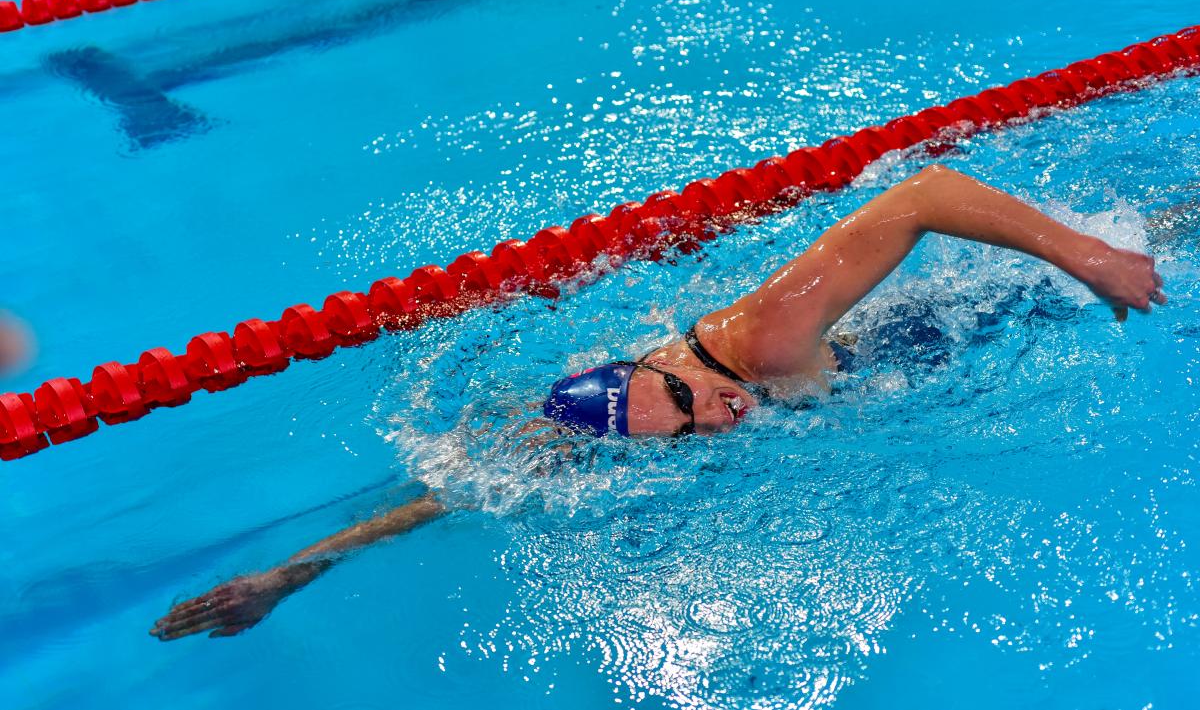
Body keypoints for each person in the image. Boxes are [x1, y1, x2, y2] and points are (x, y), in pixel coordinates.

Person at [151, 163, 1165, 641]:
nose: (717, 420)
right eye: (689, 433)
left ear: (667, 369)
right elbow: (458, 492)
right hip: (932, 363)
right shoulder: (602, 426)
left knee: (1171, 246)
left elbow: (925, 193)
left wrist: (1093, 259)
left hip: (997, 304)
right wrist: (291, 572)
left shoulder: (765, 339)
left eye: (694, 401)